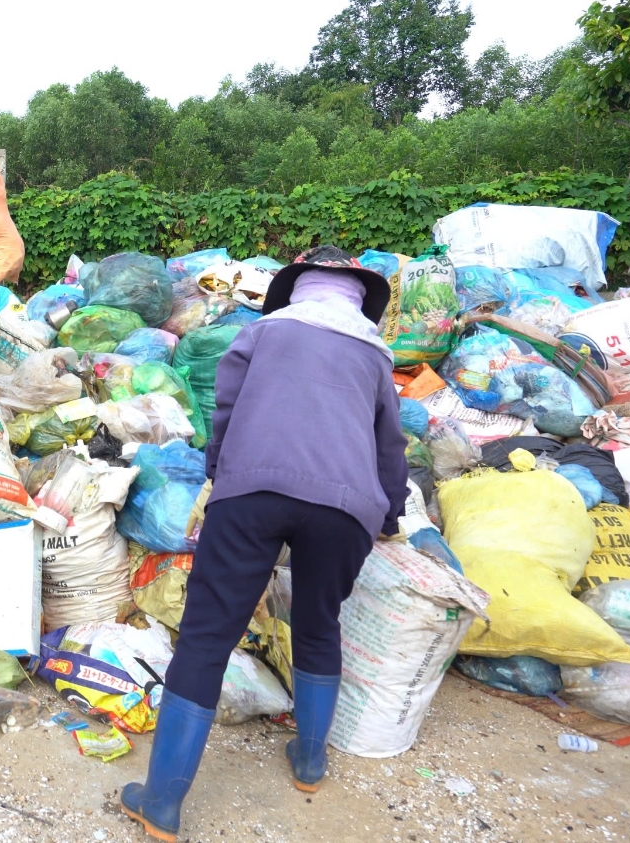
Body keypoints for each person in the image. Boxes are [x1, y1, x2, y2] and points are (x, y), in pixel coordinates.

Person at [120, 246, 408, 841]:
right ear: (358, 297)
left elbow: (225, 411)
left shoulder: (262, 333)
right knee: (318, 623)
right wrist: (391, 514)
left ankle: (162, 804)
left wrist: (220, 472)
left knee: (205, 639)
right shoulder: (375, 355)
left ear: (298, 287)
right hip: (346, 509)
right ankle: (309, 763)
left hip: (252, 493)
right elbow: (389, 447)